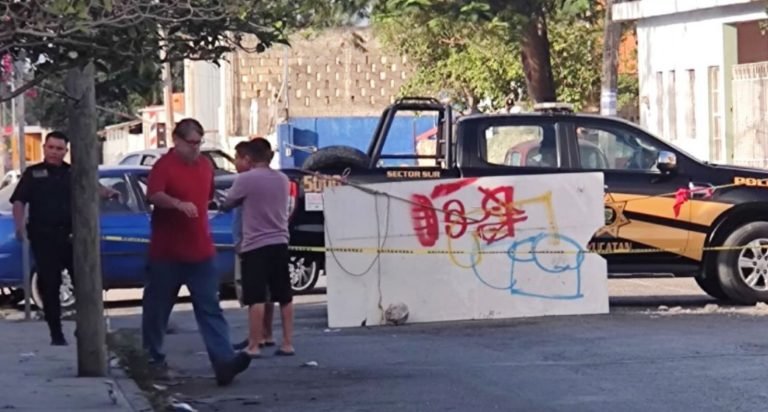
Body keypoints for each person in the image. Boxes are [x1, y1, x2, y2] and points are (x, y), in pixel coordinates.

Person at [141, 118, 251, 386]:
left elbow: (207, 197)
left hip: (200, 251)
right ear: (177, 140)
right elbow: (154, 195)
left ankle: (224, 361)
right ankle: (152, 360)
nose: (195, 148)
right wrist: (177, 204)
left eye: (199, 143)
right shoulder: (163, 166)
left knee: (210, 308)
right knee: (157, 310)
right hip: (167, 253)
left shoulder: (204, 166)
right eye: (191, 143)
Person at [9, 131, 119, 345]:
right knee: (50, 284)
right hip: (43, 237)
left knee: (84, 282)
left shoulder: (72, 172)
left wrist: (108, 192)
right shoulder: (33, 173)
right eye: (51, 147)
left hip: (71, 236)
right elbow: (19, 201)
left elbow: (92, 186)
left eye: (59, 149)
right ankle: (56, 333)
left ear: (65, 151)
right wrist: (19, 224)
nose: (54, 152)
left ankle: (85, 327)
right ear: (44, 148)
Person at [221, 137, 294, 358]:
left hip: (255, 245)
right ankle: (288, 343)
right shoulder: (282, 179)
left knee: (256, 297)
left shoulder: (246, 179)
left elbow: (227, 203)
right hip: (280, 241)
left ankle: (254, 344)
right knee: (284, 295)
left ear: (250, 157)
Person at [230, 139, 276, 351]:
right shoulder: (273, 179)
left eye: (237, 158)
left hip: (250, 242)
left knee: (253, 293)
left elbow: (231, 207)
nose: (234, 163)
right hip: (270, 241)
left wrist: (239, 242)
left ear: (247, 159)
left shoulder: (246, 181)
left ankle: (255, 338)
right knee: (267, 292)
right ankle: (266, 334)